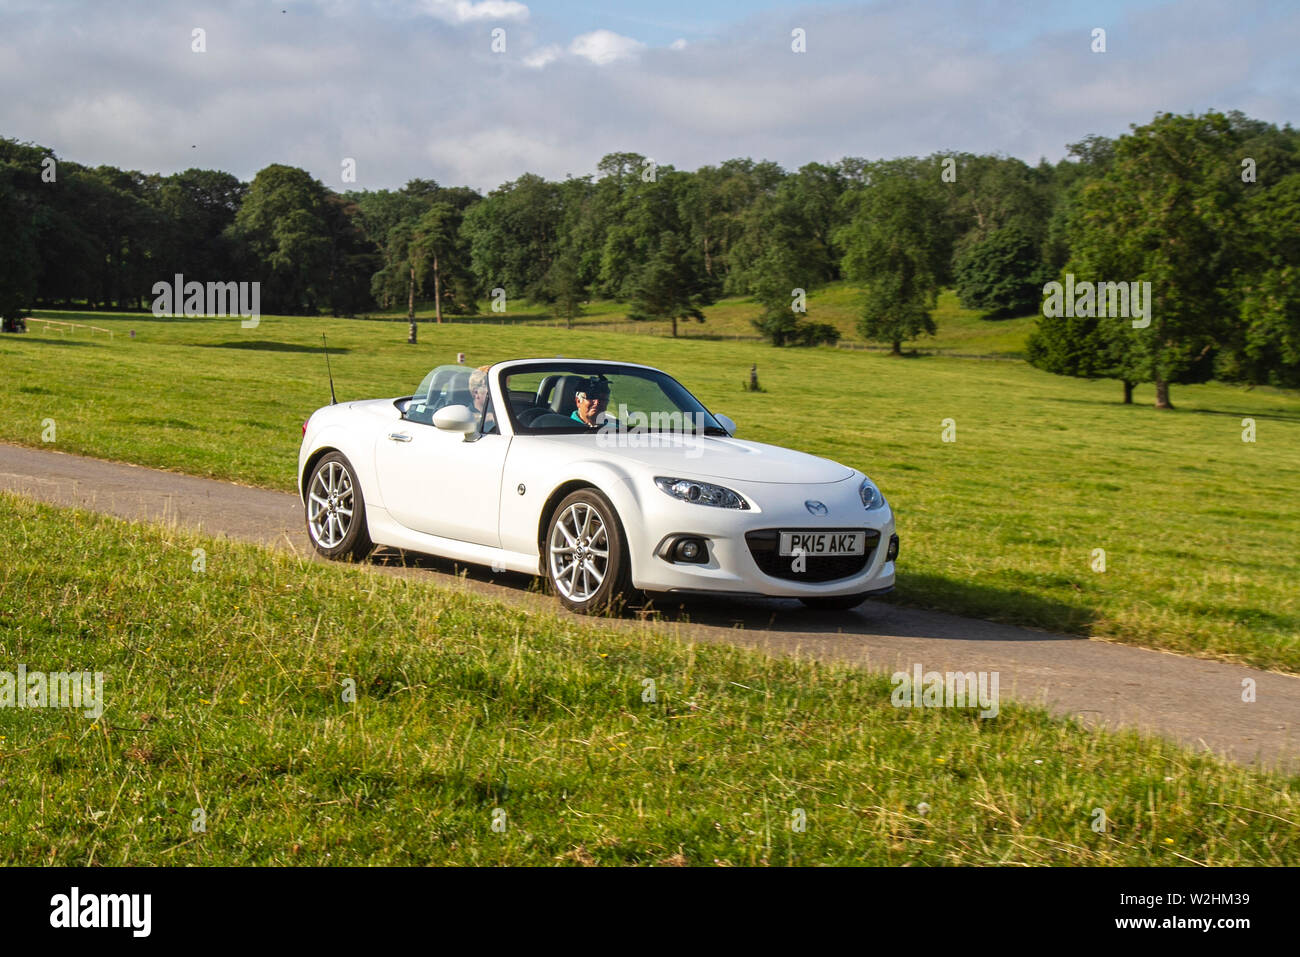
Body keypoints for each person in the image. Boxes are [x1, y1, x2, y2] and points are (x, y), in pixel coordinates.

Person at [468, 365, 497, 434]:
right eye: (493, 389)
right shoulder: (465, 414)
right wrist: (486, 417)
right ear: (476, 393)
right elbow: (462, 420)